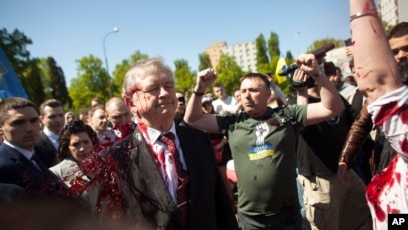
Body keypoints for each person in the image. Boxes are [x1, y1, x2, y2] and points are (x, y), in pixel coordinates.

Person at [184, 53, 344, 229]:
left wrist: (317, 74)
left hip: (286, 215)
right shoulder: (232, 121)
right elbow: (192, 120)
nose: (246, 95)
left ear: (268, 94)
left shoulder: (287, 115)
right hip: (251, 219)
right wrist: (199, 88)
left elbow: (333, 107)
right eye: (243, 91)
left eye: (253, 90)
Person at [87, 57, 238, 229]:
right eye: (152, 88)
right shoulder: (113, 160)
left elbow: (221, 207)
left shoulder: (200, 140)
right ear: (130, 101)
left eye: (169, 86)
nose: (165, 93)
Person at [337, 1, 408, 229]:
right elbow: (361, 124)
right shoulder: (384, 96)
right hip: (387, 171)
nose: (400, 56)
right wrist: (345, 159)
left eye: (406, 49)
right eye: (394, 51)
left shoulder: (393, 92)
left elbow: (376, 83)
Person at [293, 64, 369, 230]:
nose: (321, 77)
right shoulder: (296, 102)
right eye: (316, 74)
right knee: (326, 225)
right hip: (321, 178)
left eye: (323, 73)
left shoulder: (335, 98)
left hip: (345, 170)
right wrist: (301, 91)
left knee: (364, 209)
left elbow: (354, 119)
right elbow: (301, 122)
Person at [0, 97, 66, 196]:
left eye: (34, 120)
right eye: (19, 122)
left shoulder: (33, 158)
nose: (30, 128)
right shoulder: (3, 167)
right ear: (1, 128)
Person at [50, 120, 98, 202]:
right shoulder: (55, 173)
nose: (82, 148)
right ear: (67, 148)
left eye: (86, 142)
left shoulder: (103, 166)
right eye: (75, 144)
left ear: (92, 142)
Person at [34, 99, 65, 168]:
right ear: (41, 119)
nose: (58, 120)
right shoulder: (35, 143)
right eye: (52, 117)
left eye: (61, 115)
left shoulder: (71, 137)